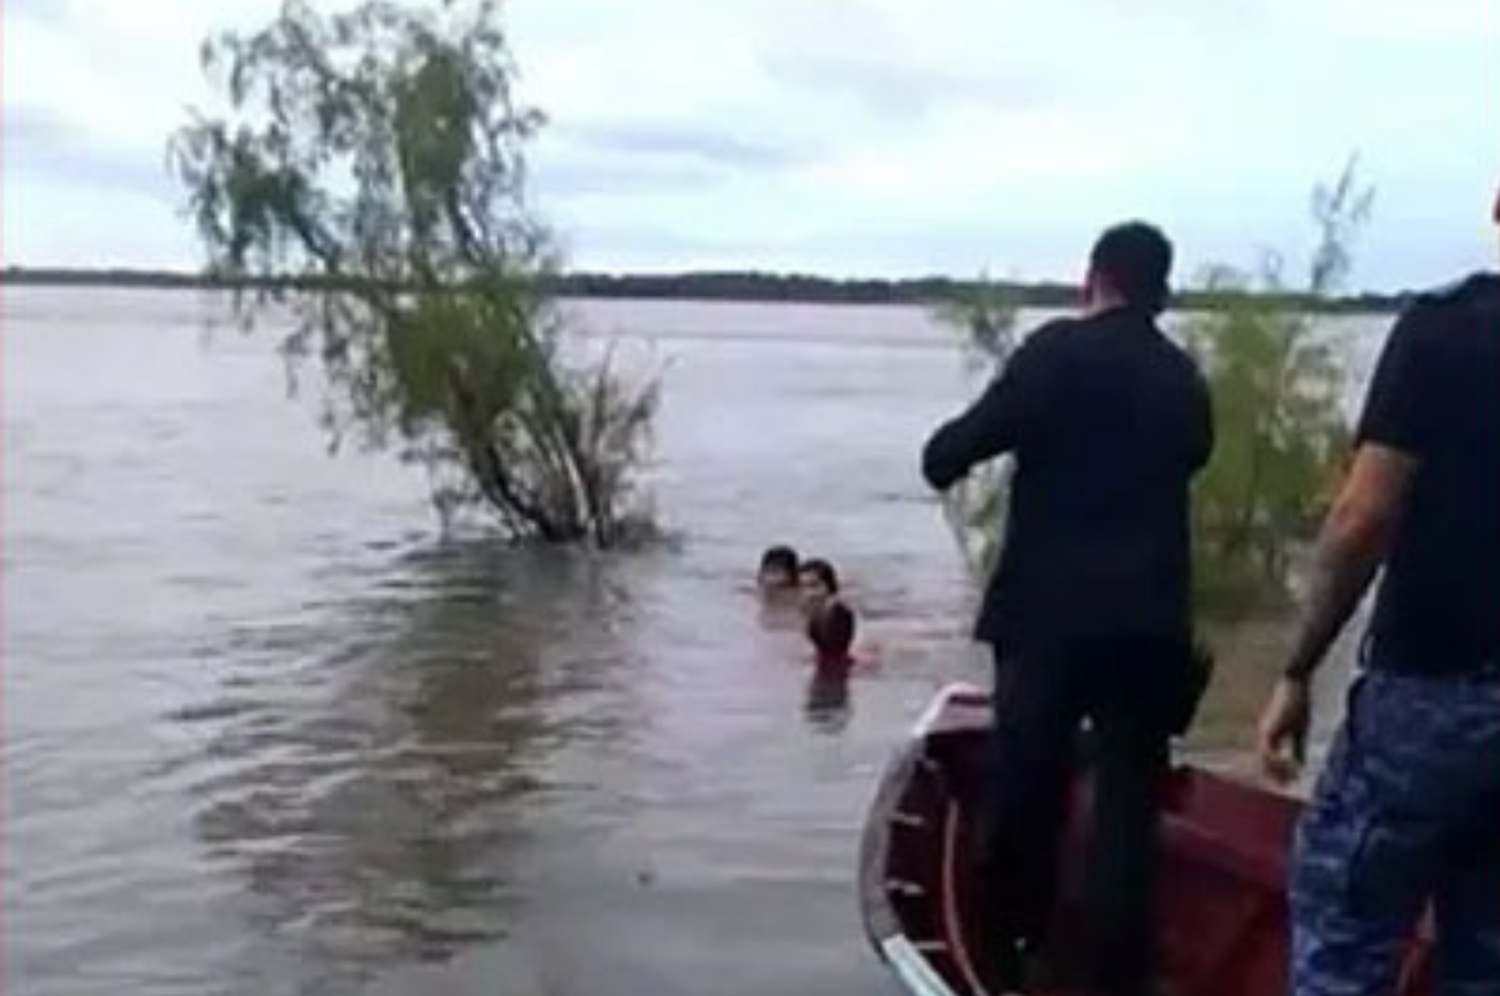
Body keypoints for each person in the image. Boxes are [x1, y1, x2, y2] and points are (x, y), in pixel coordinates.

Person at [922, 221, 1213, 995]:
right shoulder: (1182, 377)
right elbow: (1193, 455)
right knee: (1126, 810)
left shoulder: (1055, 354)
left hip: (1049, 621)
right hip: (1151, 629)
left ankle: (1007, 954)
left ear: (1095, 279)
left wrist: (942, 453)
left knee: (1027, 788)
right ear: (1159, 290)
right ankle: (1113, 979)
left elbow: (955, 452)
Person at [1256, 194, 1500, 996]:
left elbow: (1363, 517)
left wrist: (1296, 670)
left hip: (1433, 694)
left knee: (1344, 930)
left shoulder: (1445, 332)